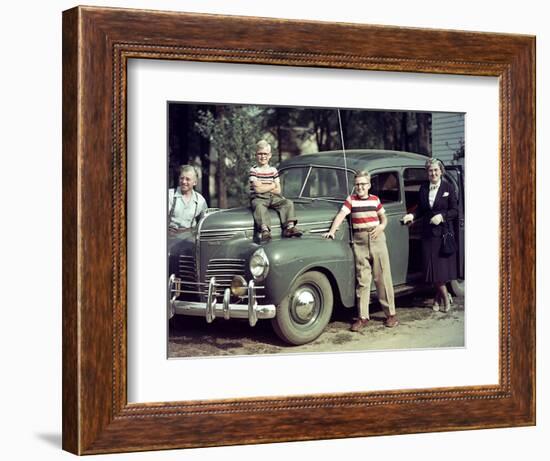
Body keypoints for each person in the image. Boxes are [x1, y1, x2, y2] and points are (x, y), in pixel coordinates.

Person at [323, 170, 399, 332]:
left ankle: (391, 314)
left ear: (369, 185)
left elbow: (383, 218)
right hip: (360, 242)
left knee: (382, 278)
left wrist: (381, 226)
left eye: (363, 184)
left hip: (377, 239)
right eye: (357, 184)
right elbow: (341, 215)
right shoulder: (351, 200)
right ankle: (363, 317)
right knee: (363, 280)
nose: (360, 187)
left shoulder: (375, 200)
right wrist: (332, 231)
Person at [402, 158, 458, 312]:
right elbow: (421, 208)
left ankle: (442, 299)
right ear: (427, 173)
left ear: (441, 171)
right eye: (430, 170)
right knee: (431, 269)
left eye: (435, 170)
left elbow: (455, 210)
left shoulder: (448, 187)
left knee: (440, 270)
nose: (433, 173)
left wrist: (442, 217)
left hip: (443, 234)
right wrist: (412, 216)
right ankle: (442, 297)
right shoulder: (424, 188)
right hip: (427, 234)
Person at [249, 140, 302, 241]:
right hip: (259, 198)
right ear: (255, 155)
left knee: (288, 203)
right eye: (260, 154)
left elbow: (278, 190)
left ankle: (289, 227)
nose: (263, 156)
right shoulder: (254, 170)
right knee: (259, 207)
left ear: (269, 155)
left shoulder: (273, 170)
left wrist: (264, 186)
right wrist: (272, 185)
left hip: (273, 197)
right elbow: (257, 189)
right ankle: (265, 230)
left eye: (265, 154)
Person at [168, 165, 208, 233]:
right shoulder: (169, 195)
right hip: (169, 237)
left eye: (187, 179)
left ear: (195, 182)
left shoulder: (200, 200)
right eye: (181, 178)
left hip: (189, 237)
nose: (183, 182)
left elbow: (205, 223)